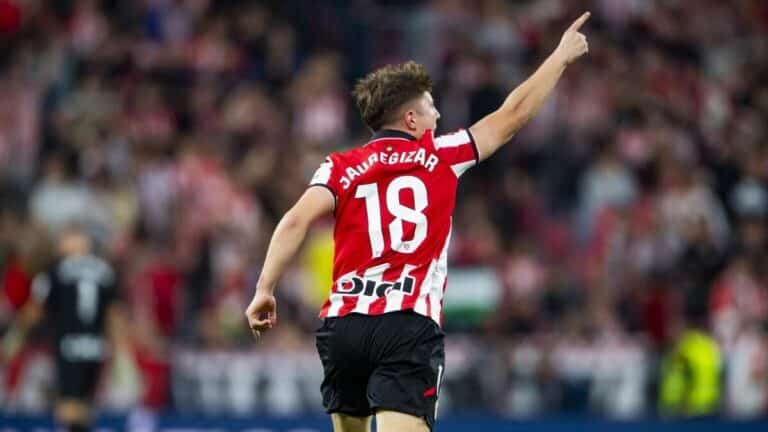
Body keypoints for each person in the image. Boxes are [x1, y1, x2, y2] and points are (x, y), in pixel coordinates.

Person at [245, 12, 591, 432]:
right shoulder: (442, 155)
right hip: (406, 321)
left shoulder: (339, 167)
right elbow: (512, 115)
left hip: (345, 326)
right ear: (410, 119)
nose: (438, 115)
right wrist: (560, 57)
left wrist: (264, 288)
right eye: (430, 106)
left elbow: (294, 221)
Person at [17, 226, 121, 432]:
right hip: (95, 346)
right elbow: (115, 314)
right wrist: (122, 352)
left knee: (67, 403)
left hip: (68, 344)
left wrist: (16, 335)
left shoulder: (55, 270)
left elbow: (36, 308)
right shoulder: (105, 270)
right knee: (85, 403)